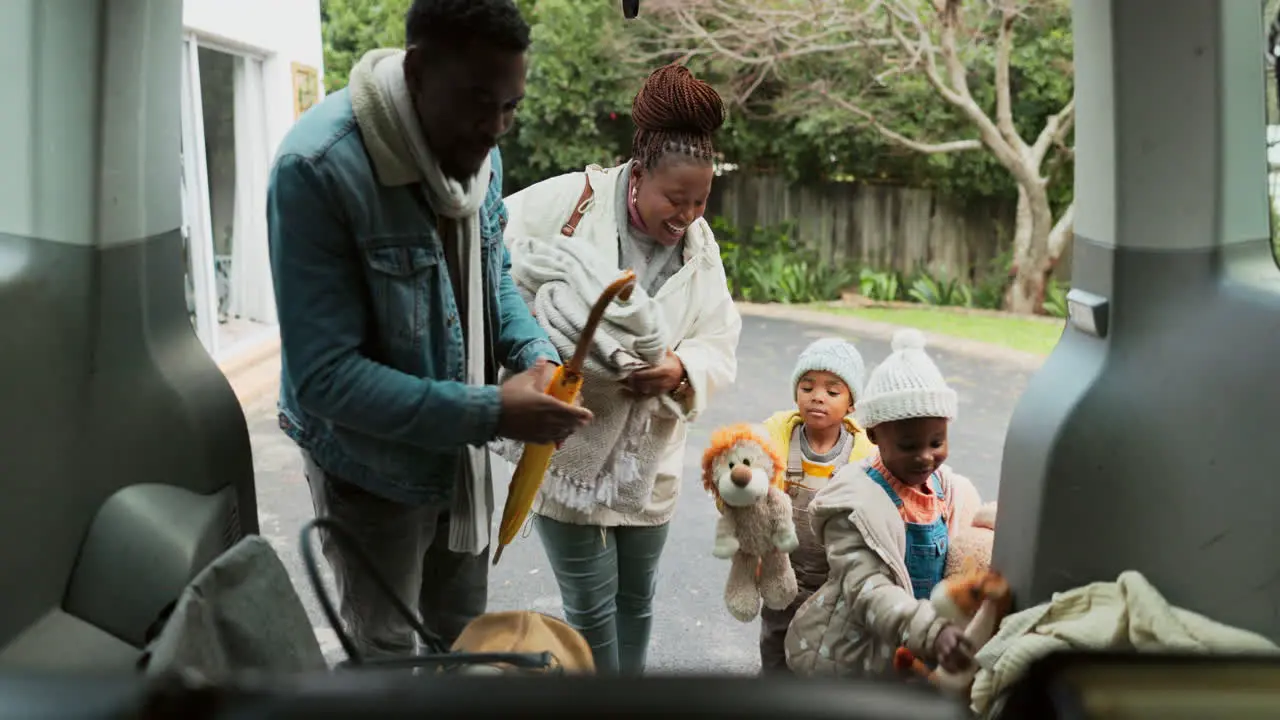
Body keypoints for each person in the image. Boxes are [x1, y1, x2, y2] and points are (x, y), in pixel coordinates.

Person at [265, 0, 592, 659]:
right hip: (368, 470)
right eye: (478, 102)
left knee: (463, 643)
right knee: (384, 656)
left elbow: (491, 272)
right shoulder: (318, 170)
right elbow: (325, 377)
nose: (495, 129)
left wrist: (533, 354)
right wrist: (495, 410)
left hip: (457, 462)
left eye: (510, 106)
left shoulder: (480, 154)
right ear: (416, 72)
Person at [499, 64, 742, 675]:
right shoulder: (569, 202)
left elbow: (720, 335)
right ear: (637, 178)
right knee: (589, 605)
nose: (687, 214)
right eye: (675, 199)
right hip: (570, 451)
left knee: (637, 598)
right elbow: (489, 250)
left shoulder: (700, 244)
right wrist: (535, 345)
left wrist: (681, 368)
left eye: (701, 200)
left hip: (647, 456)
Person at [785, 328, 983, 677]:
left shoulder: (945, 488)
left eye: (936, 442)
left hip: (922, 646)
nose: (925, 458)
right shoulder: (853, 506)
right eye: (909, 446)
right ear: (874, 435)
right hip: (860, 654)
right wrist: (931, 631)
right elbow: (868, 591)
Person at [757, 338, 876, 675]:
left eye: (832, 391)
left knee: (824, 659)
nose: (817, 396)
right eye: (807, 387)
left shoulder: (862, 457)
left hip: (832, 584)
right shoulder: (778, 442)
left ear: (851, 404)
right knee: (774, 652)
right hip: (782, 575)